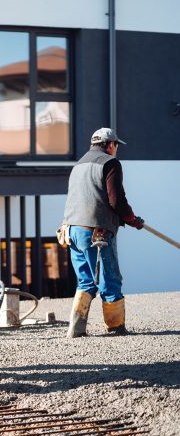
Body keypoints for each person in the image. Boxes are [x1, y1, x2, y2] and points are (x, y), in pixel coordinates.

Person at [60, 127, 144, 338]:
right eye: (116, 145)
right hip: (96, 232)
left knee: (86, 281)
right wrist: (132, 220)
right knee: (110, 278)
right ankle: (115, 327)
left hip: (71, 231)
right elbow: (117, 201)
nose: (116, 149)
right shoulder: (110, 163)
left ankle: (76, 329)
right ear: (110, 145)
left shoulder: (78, 165)